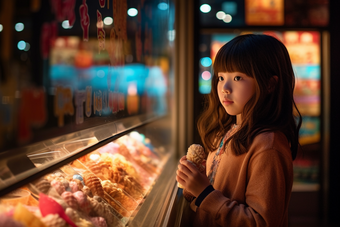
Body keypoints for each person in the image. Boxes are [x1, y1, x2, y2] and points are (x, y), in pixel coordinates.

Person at [176, 34, 302, 227]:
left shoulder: (268, 146)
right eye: (220, 77)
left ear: (269, 84)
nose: (225, 88)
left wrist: (204, 193)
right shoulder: (226, 132)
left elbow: (261, 222)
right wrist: (193, 182)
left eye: (237, 77)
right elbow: (210, 200)